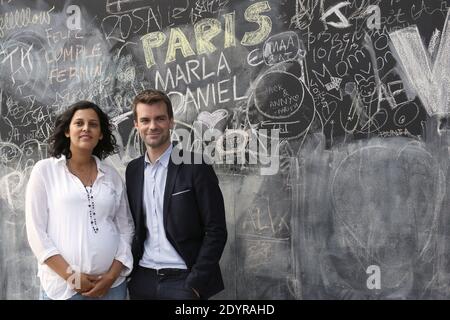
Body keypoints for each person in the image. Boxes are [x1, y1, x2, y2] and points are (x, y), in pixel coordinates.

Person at [25, 101, 135, 300]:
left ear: (100, 134)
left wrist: (111, 277)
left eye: (93, 124)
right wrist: (72, 277)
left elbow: (126, 228)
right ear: (68, 131)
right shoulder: (45, 171)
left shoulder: (112, 176)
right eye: (79, 123)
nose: (86, 128)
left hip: (112, 287)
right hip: (65, 289)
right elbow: (36, 232)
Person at [126, 89, 227, 300]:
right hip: (143, 279)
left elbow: (216, 229)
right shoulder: (133, 171)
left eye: (160, 119)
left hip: (183, 280)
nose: (152, 126)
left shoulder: (196, 164)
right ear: (136, 125)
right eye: (145, 120)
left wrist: (195, 283)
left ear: (171, 121)